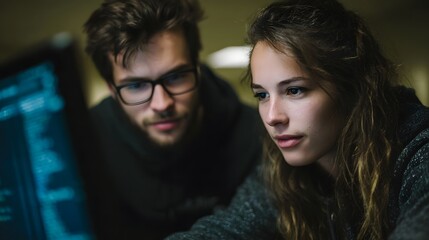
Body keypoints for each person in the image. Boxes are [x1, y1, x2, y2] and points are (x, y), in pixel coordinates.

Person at [166, 0, 429, 239]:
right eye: (262, 95)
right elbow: (222, 230)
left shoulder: (419, 152)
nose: (272, 117)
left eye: (294, 90)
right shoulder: (281, 171)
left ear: (354, 88)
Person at [82, 0, 263, 239]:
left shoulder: (257, 135)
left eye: (176, 77)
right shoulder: (85, 143)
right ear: (112, 90)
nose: (161, 104)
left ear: (197, 68)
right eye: (136, 85)